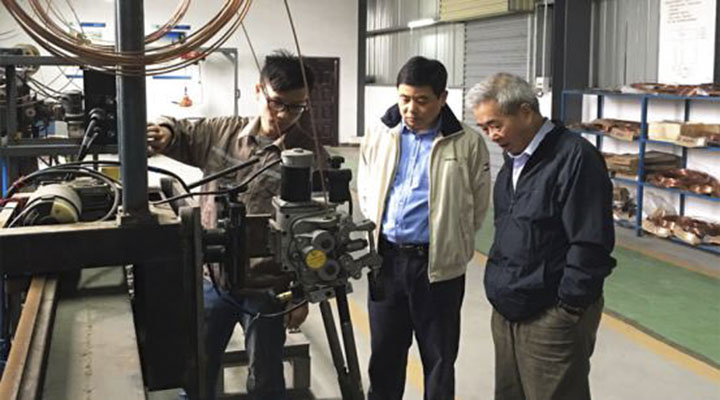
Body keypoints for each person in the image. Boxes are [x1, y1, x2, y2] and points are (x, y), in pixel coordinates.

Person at [147, 50, 328, 400]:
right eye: (277, 103)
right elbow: (180, 130)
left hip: (268, 286)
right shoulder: (220, 133)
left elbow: (312, 234)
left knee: (266, 379)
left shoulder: (308, 156)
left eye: (296, 107)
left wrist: (301, 295)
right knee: (198, 370)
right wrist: (165, 131)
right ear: (258, 91)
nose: (284, 115)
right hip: (213, 280)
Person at [467, 72, 616, 400]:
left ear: (525, 112)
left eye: (495, 125)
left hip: (550, 318)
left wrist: (568, 311)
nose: (491, 136)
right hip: (508, 311)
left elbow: (590, 242)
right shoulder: (513, 162)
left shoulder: (574, 158)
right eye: (484, 128)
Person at [357, 56, 491, 400]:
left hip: (437, 268)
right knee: (384, 357)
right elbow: (366, 187)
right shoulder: (380, 134)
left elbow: (477, 205)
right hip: (386, 262)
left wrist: (452, 241)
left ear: (442, 98)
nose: (410, 109)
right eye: (404, 98)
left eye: (422, 100)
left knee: (439, 359)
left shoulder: (466, 143)